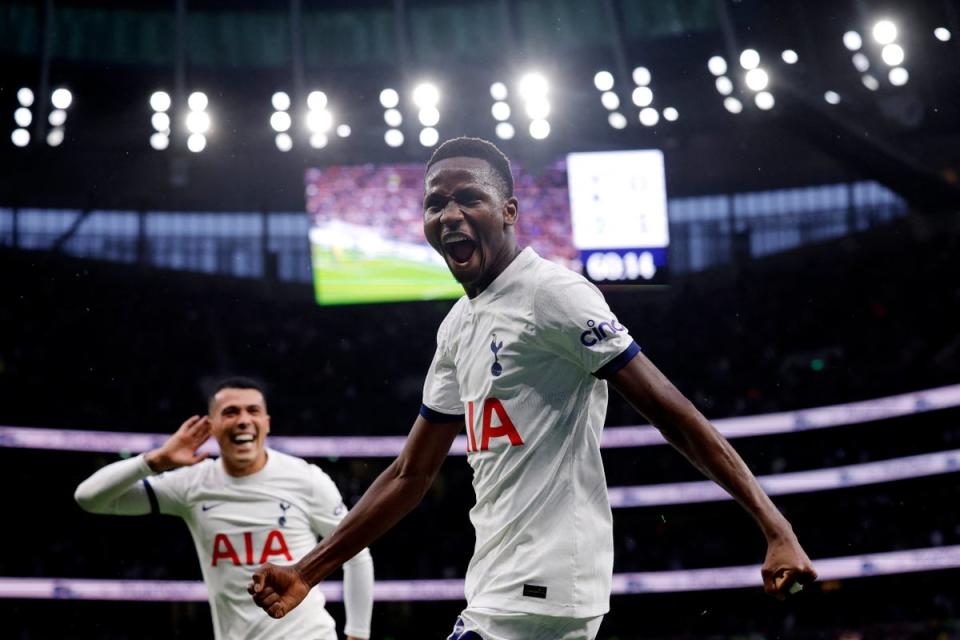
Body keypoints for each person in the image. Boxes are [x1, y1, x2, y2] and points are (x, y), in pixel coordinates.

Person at [249, 138, 817, 639]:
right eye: (434, 203)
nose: (449, 214)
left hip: (540, 585)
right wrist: (307, 571)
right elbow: (409, 474)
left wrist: (776, 527)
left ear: (509, 210)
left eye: (468, 197)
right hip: (499, 581)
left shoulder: (554, 294)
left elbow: (673, 413)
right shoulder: (456, 327)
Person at [75, 377, 374, 640]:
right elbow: (89, 498)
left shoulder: (305, 479)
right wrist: (154, 461)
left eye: (253, 411)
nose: (243, 420)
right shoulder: (192, 483)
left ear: (267, 422)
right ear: (212, 426)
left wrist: (358, 636)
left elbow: (356, 553)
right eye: (230, 412)